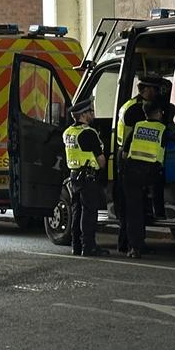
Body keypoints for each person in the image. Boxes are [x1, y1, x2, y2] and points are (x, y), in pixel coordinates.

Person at [115, 74, 165, 252]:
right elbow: (132, 139)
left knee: (131, 206)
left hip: (130, 162)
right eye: (156, 90)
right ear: (146, 89)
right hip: (130, 162)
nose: (158, 93)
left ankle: (127, 244)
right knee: (133, 208)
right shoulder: (136, 110)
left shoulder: (131, 106)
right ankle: (132, 244)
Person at [63, 98, 109, 257]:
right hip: (88, 177)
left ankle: (76, 246)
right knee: (89, 213)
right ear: (83, 114)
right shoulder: (88, 132)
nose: (93, 114)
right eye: (91, 112)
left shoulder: (68, 132)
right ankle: (88, 246)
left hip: (74, 176)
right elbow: (101, 160)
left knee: (77, 211)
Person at [122, 100, 167, 258]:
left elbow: (124, 152)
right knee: (142, 209)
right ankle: (159, 211)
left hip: (132, 172)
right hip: (150, 174)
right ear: (158, 113)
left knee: (134, 212)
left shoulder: (137, 126)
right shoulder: (162, 129)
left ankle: (135, 247)